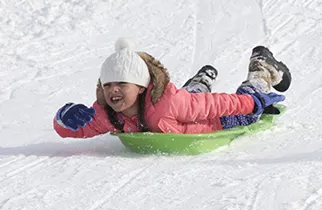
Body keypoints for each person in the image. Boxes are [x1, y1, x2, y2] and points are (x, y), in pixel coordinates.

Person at [53, 39, 291, 138]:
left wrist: (252, 103)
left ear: (140, 86)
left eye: (121, 84)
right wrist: (65, 118)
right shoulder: (108, 115)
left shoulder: (167, 102)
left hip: (217, 120)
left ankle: (261, 67)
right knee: (191, 98)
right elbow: (73, 131)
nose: (113, 90)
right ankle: (201, 81)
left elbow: (214, 105)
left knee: (246, 108)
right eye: (107, 85)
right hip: (186, 109)